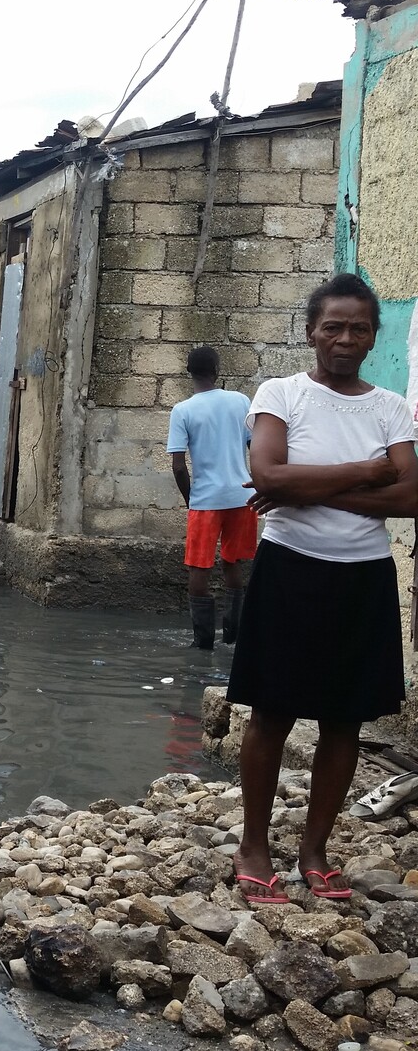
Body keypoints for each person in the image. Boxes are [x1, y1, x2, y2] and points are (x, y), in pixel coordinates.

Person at [227, 274, 417, 906]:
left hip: (363, 575)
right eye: (332, 326)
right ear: (311, 331)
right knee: (272, 711)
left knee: (344, 719)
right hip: (291, 566)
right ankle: (254, 847)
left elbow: (411, 496)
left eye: (358, 328)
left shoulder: (391, 406)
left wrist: (301, 487)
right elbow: (267, 471)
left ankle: (315, 851)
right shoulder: (282, 394)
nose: (344, 338)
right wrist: (366, 471)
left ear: (372, 337)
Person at [166, 345, 255, 649]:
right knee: (233, 564)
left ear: (188, 373)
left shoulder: (183, 410)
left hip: (205, 500)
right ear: (217, 371)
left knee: (199, 567)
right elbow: (255, 446)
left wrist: (192, 499)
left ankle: (202, 643)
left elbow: (178, 466)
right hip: (243, 496)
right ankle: (233, 638)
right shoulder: (241, 401)